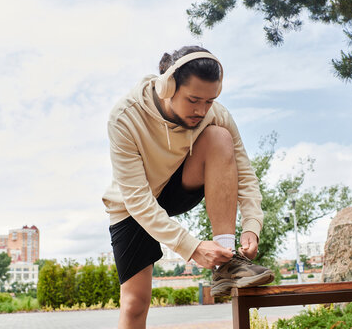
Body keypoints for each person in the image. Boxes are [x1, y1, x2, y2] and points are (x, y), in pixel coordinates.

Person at [102, 45, 274, 328]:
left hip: (182, 183)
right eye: (193, 99)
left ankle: (227, 264)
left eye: (210, 101)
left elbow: (244, 173)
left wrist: (253, 224)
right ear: (167, 87)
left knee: (219, 137)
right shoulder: (125, 117)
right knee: (135, 304)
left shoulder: (215, 114)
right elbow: (138, 200)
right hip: (135, 202)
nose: (201, 110)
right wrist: (191, 248)